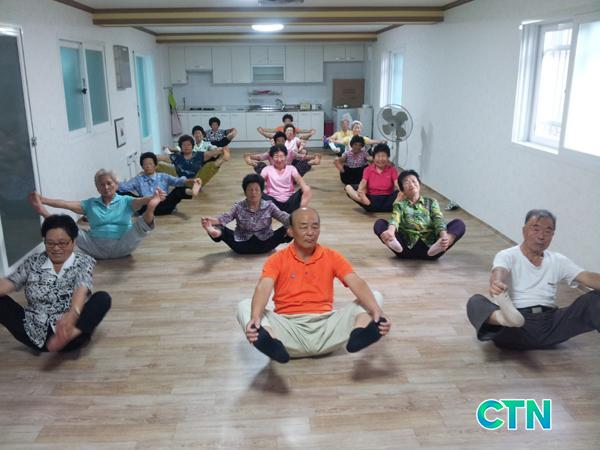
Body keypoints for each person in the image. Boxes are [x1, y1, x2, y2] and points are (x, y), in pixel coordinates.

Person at [237, 207, 392, 363]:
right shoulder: (277, 259)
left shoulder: (332, 256)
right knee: (245, 306)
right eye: (303, 227)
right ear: (290, 231)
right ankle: (271, 341)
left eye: (315, 227)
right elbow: (263, 287)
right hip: (288, 332)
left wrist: (378, 312)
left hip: (327, 330)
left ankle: (359, 333)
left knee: (375, 296)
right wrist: (255, 318)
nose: (310, 232)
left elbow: (357, 282)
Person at [466, 209, 600, 350]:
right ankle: (502, 318)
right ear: (524, 231)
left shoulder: (558, 260)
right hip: (514, 328)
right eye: (536, 229)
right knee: (475, 301)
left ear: (552, 235)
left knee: (594, 299)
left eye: (548, 231)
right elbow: (499, 271)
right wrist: (497, 283)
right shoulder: (507, 255)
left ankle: (505, 318)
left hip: (550, 325)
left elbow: (586, 277)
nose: (541, 236)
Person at [0, 215, 111, 352]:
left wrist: (73, 313)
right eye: (50, 243)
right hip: (33, 331)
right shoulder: (33, 262)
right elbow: (10, 282)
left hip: (69, 329)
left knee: (102, 298)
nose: (56, 248)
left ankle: (70, 335)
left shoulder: (83, 261)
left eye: (62, 243)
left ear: (73, 241)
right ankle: (53, 341)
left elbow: (82, 286)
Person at [28, 169, 164, 260]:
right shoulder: (90, 204)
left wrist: (151, 198)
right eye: (101, 185)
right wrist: (43, 200)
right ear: (97, 188)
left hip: (123, 244)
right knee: (68, 225)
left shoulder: (126, 201)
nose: (106, 187)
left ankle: (151, 208)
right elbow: (65, 204)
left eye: (109, 183)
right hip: (95, 247)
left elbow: (141, 200)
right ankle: (43, 212)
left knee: (139, 226)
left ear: (116, 185)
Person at [373, 169, 466, 259]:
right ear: (402, 189)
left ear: (419, 184)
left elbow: (438, 219)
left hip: (431, 248)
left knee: (459, 223)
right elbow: (395, 219)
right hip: (404, 248)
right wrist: (390, 232)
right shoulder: (400, 204)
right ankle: (391, 240)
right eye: (406, 182)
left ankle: (443, 243)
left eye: (414, 181)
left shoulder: (431, 202)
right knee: (379, 223)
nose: (411, 184)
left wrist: (443, 235)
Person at [201, 174, 291, 254]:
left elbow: (283, 216)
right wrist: (211, 221)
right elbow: (226, 217)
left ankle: (290, 232)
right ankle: (216, 233)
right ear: (245, 192)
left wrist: (295, 221)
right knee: (220, 227)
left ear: (261, 192)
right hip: (241, 245)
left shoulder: (269, 206)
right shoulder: (238, 206)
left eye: (256, 190)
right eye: (250, 190)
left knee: (290, 226)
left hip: (266, 243)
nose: (253, 193)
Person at [118, 152, 201, 216]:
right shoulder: (138, 179)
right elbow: (124, 187)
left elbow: (178, 181)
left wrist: (191, 181)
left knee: (178, 190)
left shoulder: (163, 176)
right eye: (145, 164)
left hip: (164, 205)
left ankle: (193, 192)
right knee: (125, 194)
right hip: (146, 207)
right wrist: (114, 183)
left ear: (155, 165)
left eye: (150, 164)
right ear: (142, 166)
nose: (148, 166)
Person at [345, 143, 400, 212]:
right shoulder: (368, 169)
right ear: (374, 157)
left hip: (388, 200)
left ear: (388, 157)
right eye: (378, 156)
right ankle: (365, 201)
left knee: (403, 191)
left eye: (383, 156)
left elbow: (397, 183)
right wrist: (361, 192)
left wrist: (402, 191)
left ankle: (371, 205)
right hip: (371, 200)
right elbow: (363, 182)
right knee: (348, 187)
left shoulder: (392, 170)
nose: (380, 159)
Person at [260, 145, 312, 214]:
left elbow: (300, 182)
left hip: (290, 202)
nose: (279, 160)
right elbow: (258, 182)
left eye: (281, 156)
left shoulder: (291, 169)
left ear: (286, 157)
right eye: (276, 156)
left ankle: (301, 213)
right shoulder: (267, 169)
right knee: (257, 192)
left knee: (307, 189)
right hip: (272, 203)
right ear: (272, 158)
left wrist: (305, 188)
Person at [245, 131, 320, 177]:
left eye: (283, 141)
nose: (281, 143)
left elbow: (302, 157)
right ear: (275, 142)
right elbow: (260, 157)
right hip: (273, 177)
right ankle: (252, 163)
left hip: (289, 177)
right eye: (278, 141)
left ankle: (312, 162)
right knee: (261, 165)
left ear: (285, 142)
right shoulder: (270, 152)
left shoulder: (290, 152)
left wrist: (314, 157)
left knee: (301, 164)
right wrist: (250, 156)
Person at [158, 134, 224, 186]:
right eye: (184, 145)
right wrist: (152, 158)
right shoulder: (176, 156)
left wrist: (223, 150)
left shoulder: (199, 155)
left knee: (210, 165)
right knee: (160, 164)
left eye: (188, 145)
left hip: (196, 181)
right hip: (181, 181)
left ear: (192, 146)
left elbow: (213, 153)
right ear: (180, 147)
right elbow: (161, 157)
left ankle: (223, 159)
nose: (186, 147)